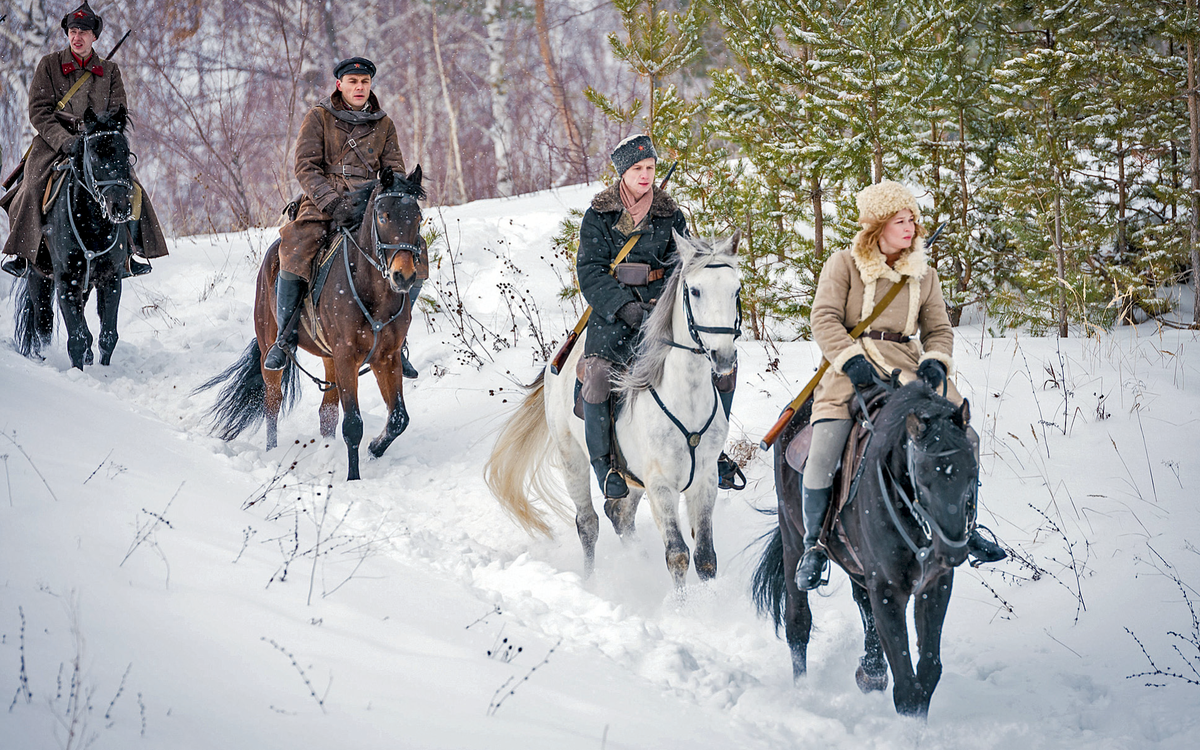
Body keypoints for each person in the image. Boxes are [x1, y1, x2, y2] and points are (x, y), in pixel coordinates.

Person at [795, 180, 1006, 590]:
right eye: (899, 220)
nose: (909, 227)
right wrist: (851, 361)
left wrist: (935, 364)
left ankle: (967, 526)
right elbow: (823, 319)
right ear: (877, 227)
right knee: (823, 454)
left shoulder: (923, 273)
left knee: (969, 438)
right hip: (848, 370)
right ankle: (814, 545)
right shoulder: (843, 264)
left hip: (908, 368)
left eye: (912, 219)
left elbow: (939, 329)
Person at [576, 135, 740, 499]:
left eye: (650, 168)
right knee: (599, 377)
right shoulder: (599, 215)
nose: (646, 175)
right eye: (638, 169)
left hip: (660, 311)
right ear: (623, 172)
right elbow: (590, 270)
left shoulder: (670, 214)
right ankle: (606, 467)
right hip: (613, 314)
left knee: (722, 366)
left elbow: (683, 265)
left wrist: (659, 306)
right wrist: (624, 307)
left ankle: (714, 450)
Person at [264, 56, 422, 374]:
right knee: (295, 248)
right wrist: (332, 203)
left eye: (364, 82)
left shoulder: (384, 124)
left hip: (370, 207)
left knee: (417, 253)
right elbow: (305, 167)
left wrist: (385, 201)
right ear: (340, 85)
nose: (359, 87)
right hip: (323, 203)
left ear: (370, 85)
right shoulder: (318, 117)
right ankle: (285, 337)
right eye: (353, 82)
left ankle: (397, 341)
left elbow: (394, 173)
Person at [2, 1, 167, 278]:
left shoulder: (111, 71)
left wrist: (96, 137)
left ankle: (133, 251)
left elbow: (118, 112)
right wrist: (65, 141)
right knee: (31, 185)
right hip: (54, 141)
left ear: (95, 37)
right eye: (73, 31)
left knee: (131, 185)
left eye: (84, 32)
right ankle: (22, 254)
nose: (77, 37)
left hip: (99, 143)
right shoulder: (49, 65)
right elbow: (39, 111)